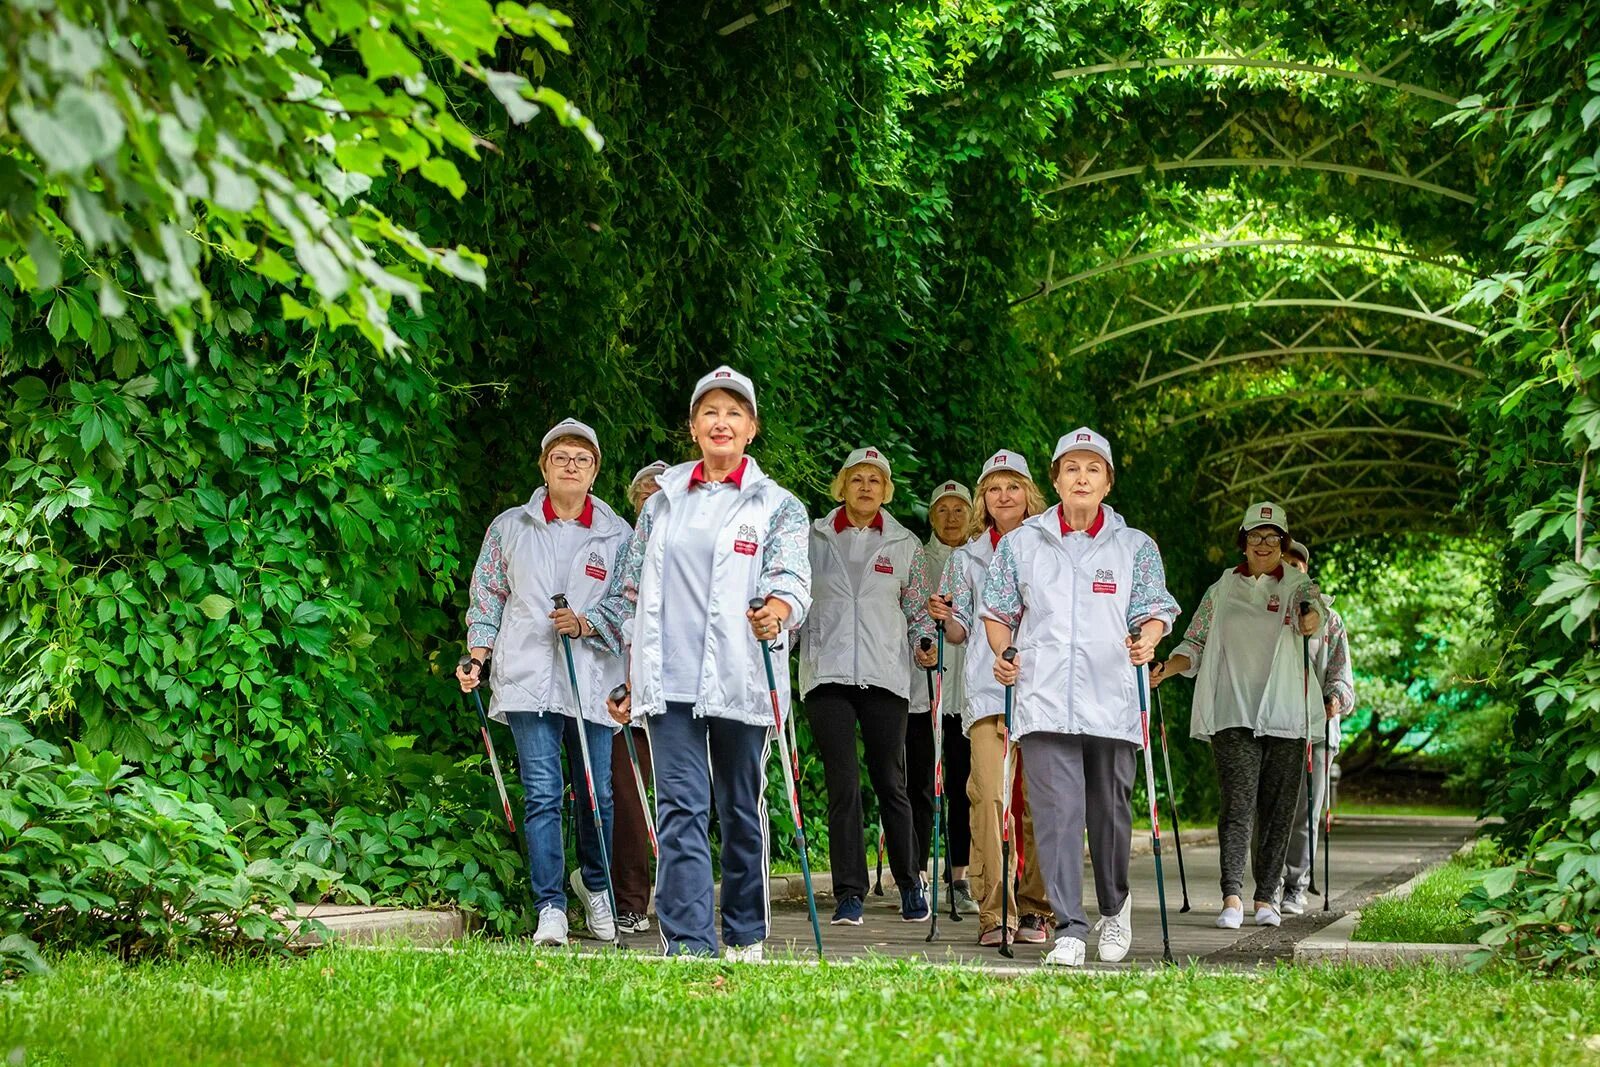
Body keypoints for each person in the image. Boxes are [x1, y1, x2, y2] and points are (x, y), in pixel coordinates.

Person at [584, 367, 811, 960]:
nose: (721, 422)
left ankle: (743, 935)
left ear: (751, 429)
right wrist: (623, 674)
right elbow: (627, 592)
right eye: (710, 411)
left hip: (742, 677)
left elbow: (791, 579)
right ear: (693, 427)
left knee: (740, 808)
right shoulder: (661, 504)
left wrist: (779, 608)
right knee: (680, 807)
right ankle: (687, 942)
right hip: (670, 681)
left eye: (734, 413)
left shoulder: (778, 506)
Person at [983, 429, 1180, 967]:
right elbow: (998, 613)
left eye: (1093, 469)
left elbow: (1156, 608)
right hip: (1043, 699)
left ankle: (1116, 910)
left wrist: (1150, 636)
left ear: (1108, 481)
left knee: (1109, 813)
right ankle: (1070, 925)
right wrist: (1005, 651)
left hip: (1110, 700)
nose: (1082, 478)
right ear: (1056, 479)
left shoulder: (1135, 546)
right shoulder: (1023, 543)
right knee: (1056, 815)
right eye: (1071, 468)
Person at [456, 418, 631, 947]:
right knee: (542, 794)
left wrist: (586, 624)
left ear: (595, 471)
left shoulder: (619, 533)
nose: (571, 465)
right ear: (544, 467)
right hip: (528, 678)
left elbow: (630, 602)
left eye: (581, 458)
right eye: (561, 457)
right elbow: (488, 596)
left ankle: (596, 888)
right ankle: (550, 907)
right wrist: (476, 656)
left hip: (593, 679)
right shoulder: (510, 527)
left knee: (597, 793)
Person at [1150, 502, 1325, 930]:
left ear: (1283, 544)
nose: (1263, 545)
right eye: (1255, 537)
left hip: (1287, 713)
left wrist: (1309, 620)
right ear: (1243, 543)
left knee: (1278, 809)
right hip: (1233, 712)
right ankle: (1232, 897)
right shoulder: (1222, 588)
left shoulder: (1299, 584)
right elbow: (1194, 642)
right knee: (1238, 805)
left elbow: (1314, 618)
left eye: (1272, 538)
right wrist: (1165, 670)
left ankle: (1267, 898)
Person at [801, 447, 937, 925]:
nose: (865, 487)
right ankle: (849, 894)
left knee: (891, 782)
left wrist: (925, 642)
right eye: (857, 479)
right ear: (842, 486)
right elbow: (794, 599)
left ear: (886, 491)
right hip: (827, 674)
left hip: (885, 675)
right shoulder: (811, 537)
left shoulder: (905, 544)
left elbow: (919, 609)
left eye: (875, 481)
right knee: (843, 784)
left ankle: (910, 884)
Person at [929, 450, 1055, 948]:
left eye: (1013, 486)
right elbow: (959, 633)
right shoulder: (966, 557)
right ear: (983, 497)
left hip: (1043, 691)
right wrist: (944, 617)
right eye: (994, 487)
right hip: (986, 691)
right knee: (989, 800)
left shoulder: (1048, 548)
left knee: (1037, 803)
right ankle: (993, 911)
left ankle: (1037, 908)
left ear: (1029, 493)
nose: (1004, 496)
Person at [907, 480, 978, 915]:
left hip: (967, 693)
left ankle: (959, 877)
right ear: (931, 516)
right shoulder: (917, 557)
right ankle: (915, 873)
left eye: (959, 510)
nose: (951, 518)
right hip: (922, 691)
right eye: (943, 510)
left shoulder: (980, 558)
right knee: (918, 783)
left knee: (962, 785)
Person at [607, 459, 669, 935]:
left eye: (662, 496)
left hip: (676, 697)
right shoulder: (616, 547)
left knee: (675, 798)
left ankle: (673, 897)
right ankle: (629, 900)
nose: (653, 503)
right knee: (628, 800)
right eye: (646, 496)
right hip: (619, 696)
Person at [1277, 538, 1353, 914]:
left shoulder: (1330, 620)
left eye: (1298, 563)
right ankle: (1269, 882)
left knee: (1307, 810)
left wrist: (1334, 700)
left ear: (1306, 570)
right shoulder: (1266, 612)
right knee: (1273, 808)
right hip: (1274, 726)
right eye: (1285, 562)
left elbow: (1342, 679)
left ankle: (1296, 885)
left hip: (1318, 731)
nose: (1292, 568)